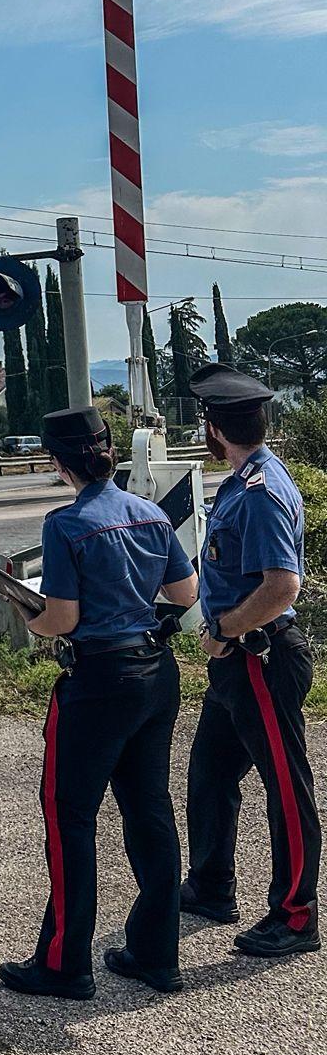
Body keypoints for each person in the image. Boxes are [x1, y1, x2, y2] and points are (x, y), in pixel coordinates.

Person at [0, 405, 198, 999]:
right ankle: (156, 953)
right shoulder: (151, 513)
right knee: (149, 810)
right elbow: (185, 593)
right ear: (108, 452)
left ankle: (65, 963)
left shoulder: (63, 525)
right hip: (154, 673)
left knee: (69, 819)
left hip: (96, 682)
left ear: (57, 462)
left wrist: (26, 613)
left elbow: (62, 618)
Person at [182, 362, 319, 958]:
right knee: (210, 772)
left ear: (214, 428)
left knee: (285, 786)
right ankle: (213, 885)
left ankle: (295, 914)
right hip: (239, 661)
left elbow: (283, 584)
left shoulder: (260, 492)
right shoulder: (249, 478)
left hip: (259, 656)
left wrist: (225, 630)